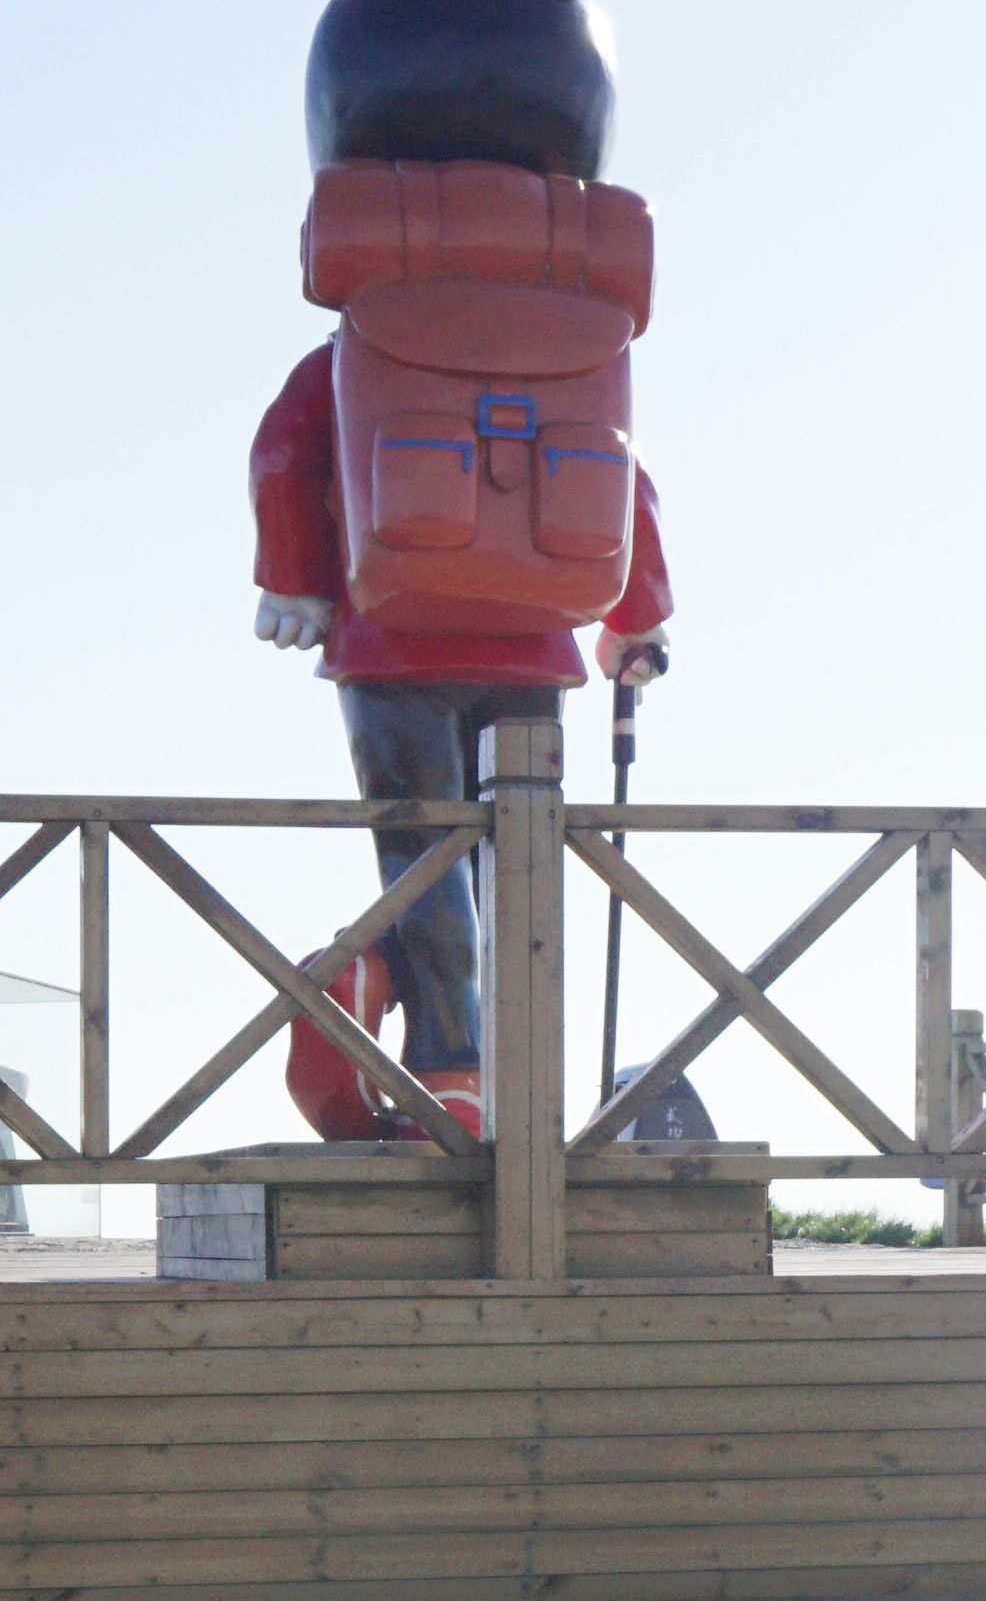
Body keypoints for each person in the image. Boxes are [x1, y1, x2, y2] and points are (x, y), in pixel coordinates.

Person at [250, 365, 671, 1130]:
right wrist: (636, 615)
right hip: (532, 636)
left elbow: (282, 453)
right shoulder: (563, 360)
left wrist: (292, 580)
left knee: (422, 854)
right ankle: (483, 1072)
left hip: (389, 637)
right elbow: (623, 472)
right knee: (514, 862)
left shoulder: (364, 348)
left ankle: (445, 1066)